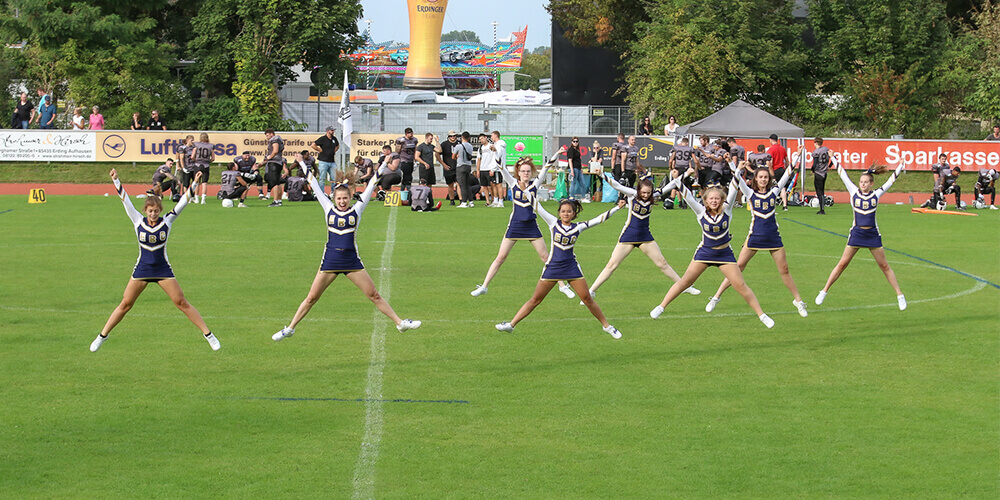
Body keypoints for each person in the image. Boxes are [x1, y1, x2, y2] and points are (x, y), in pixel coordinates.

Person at [272, 168, 421, 341]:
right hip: (330, 261)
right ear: (333, 199)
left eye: (345, 198)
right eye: (339, 198)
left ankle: (400, 323)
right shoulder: (328, 209)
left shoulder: (356, 210)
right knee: (312, 298)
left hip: (351, 261)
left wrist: (384, 165)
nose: (342, 201)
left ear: (350, 198)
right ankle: (290, 329)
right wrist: (302, 164)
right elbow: (314, 184)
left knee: (374, 295)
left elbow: (372, 184)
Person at [91, 169, 220, 352]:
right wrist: (116, 180)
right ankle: (101, 336)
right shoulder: (137, 221)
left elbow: (184, 202)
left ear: (160, 210)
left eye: (156, 211)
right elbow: (125, 201)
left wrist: (195, 183)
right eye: (150, 211)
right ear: (145, 210)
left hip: (162, 269)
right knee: (125, 304)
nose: (153, 214)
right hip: (143, 269)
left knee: (181, 302)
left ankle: (209, 335)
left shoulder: (166, 221)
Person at [650, 182, 774, 328]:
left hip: (724, 254)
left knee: (740, 284)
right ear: (705, 200)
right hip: (705, 252)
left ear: (722, 199)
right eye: (711, 199)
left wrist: (735, 167)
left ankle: (762, 315)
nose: (714, 201)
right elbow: (688, 196)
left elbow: (734, 187)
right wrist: (679, 180)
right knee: (685, 281)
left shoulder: (727, 211)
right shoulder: (700, 211)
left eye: (717, 198)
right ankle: (662, 306)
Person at [494, 199, 623, 339]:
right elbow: (538, 207)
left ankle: (607, 327)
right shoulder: (553, 223)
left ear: (574, 213)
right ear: (559, 213)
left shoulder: (578, 227)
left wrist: (617, 207)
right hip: (553, 267)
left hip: (571, 268)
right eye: (563, 211)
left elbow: (599, 219)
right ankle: (511, 325)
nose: (566, 214)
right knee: (535, 299)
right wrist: (527, 190)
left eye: (569, 211)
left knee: (587, 299)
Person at [705, 162, 808, 317]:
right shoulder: (750, 193)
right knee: (738, 268)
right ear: (756, 178)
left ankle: (798, 301)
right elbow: (738, 178)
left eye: (766, 177)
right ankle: (716, 296)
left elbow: (786, 175)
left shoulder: (774, 191)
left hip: (773, 237)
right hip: (755, 237)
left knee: (784, 270)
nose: (763, 179)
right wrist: (733, 164)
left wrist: (796, 158)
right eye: (760, 177)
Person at [471, 153, 577, 299]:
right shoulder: (513, 183)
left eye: (528, 171)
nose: (526, 173)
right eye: (523, 171)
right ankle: (484, 286)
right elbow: (501, 167)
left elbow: (547, 167)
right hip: (515, 225)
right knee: (500, 257)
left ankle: (562, 286)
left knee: (546, 257)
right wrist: (495, 151)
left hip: (531, 226)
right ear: (518, 173)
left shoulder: (535, 185)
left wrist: (558, 154)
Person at [591, 174, 701, 300]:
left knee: (662, 263)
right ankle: (592, 291)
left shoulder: (654, 195)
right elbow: (617, 185)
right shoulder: (632, 194)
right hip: (629, 235)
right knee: (612, 264)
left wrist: (686, 174)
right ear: (639, 190)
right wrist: (601, 174)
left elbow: (672, 184)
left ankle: (684, 287)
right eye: (643, 192)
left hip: (645, 236)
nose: (646, 195)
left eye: (648, 193)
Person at [816, 160, 907, 310]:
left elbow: (891, 181)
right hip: (857, 233)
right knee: (842, 264)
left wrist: (900, 166)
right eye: (861, 182)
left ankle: (899, 295)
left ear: (871, 184)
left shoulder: (876, 194)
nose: (863, 184)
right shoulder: (853, 192)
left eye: (866, 182)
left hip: (872, 234)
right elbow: (843, 175)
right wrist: (834, 159)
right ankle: (824, 291)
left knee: (884, 265)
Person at [310, 125, 340, 196]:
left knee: (334, 178)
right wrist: (319, 149)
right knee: (322, 178)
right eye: (331, 130)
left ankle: (333, 192)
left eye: (333, 130)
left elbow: (337, 145)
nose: (333, 132)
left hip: (332, 161)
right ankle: (321, 193)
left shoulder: (334, 139)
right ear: (327, 131)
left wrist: (334, 151)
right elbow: (313, 145)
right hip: (323, 161)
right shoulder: (323, 139)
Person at [805, 137, 831, 214]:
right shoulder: (826, 149)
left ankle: (822, 209)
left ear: (816, 143)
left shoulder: (816, 152)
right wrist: (829, 166)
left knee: (819, 191)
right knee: (822, 190)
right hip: (824, 172)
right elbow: (833, 157)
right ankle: (822, 207)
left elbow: (814, 163)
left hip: (819, 172)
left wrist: (812, 170)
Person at [263, 128, 287, 207]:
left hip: (274, 163)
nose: (267, 137)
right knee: (278, 182)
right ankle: (279, 200)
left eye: (267, 135)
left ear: (271, 134)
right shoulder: (278, 139)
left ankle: (276, 201)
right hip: (278, 162)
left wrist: (270, 157)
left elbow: (275, 150)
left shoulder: (274, 139)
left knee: (274, 182)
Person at [436, 130, 460, 204]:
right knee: (450, 184)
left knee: (459, 184)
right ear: (448, 136)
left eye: (454, 136)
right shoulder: (444, 144)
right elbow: (437, 154)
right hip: (448, 167)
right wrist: (443, 164)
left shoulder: (459, 143)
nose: (453, 137)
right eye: (451, 136)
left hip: (458, 167)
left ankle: (461, 200)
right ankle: (452, 200)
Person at [191, 132, 215, 204]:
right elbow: (213, 158)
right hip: (206, 165)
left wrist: (196, 160)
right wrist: (208, 161)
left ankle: (197, 199)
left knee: (197, 182)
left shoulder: (196, 145)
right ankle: (203, 200)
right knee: (204, 183)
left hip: (197, 164)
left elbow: (192, 156)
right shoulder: (210, 146)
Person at [767, 133, 789, 210]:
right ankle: (785, 205)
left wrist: (770, 172)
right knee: (782, 187)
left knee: (773, 187)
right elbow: (787, 160)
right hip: (782, 169)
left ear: (770, 140)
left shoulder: (771, 150)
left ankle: (771, 205)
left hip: (774, 170)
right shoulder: (782, 148)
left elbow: (770, 162)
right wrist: (786, 169)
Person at [455, 132, 476, 208]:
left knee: (462, 185)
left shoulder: (458, 146)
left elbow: (453, 156)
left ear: (462, 137)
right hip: (468, 166)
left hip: (461, 166)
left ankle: (464, 202)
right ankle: (471, 201)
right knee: (467, 184)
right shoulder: (470, 146)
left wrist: (457, 156)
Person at [488, 131, 507, 206]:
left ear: (496, 135)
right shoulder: (496, 144)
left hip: (498, 168)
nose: (491, 137)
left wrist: (494, 168)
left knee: (499, 185)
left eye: (492, 136)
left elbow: (498, 156)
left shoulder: (500, 145)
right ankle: (495, 201)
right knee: (494, 184)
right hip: (494, 168)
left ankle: (501, 202)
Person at [476, 133, 495, 206]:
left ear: (486, 137)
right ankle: (487, 201)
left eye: (482, 138)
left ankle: (494, 199)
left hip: (489, 168)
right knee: (484, 186)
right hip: (482, 169)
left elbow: (494, 157)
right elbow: (479, 159)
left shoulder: (491, 146)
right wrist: (478, 170)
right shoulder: (480, 148)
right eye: (480, 139)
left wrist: (492, 168)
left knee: (491, 185)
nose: (481, 140)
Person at [567, 137, 588, 202]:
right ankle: (571, 196)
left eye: (576, 141)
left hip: (578, 168)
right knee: (573, 183)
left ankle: (583, 197)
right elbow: (570, 160)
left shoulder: (577, 150)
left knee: (582, 183)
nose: (575, 143)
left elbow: (578, 160)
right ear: (572, 142)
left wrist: (581, 168)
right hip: (574, 168)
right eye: (574, 141)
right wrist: (572, 170)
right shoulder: (571, 150)